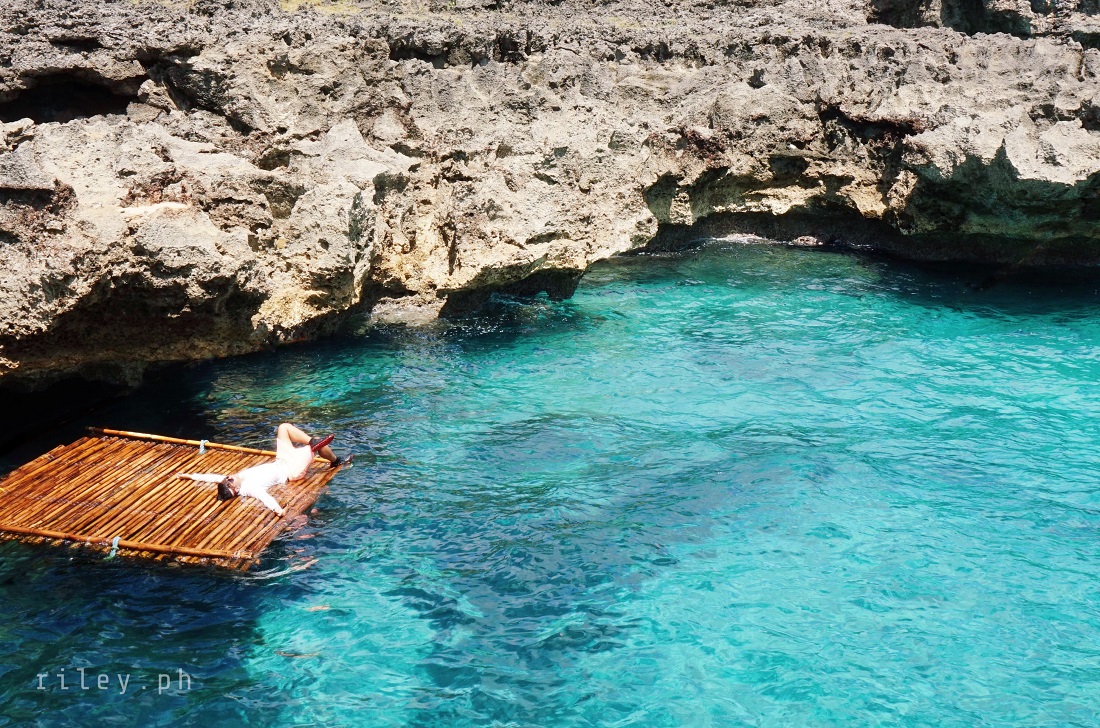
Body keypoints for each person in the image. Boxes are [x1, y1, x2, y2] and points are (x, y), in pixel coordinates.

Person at [177, 423, 351, 517]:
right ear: (235, 489)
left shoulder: (234, 478)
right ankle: (336, 461)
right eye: (230, 482)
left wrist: (190, 476)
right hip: (291, 470)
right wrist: (278, 510)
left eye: (227, 479)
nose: (230, 477)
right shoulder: (249, 488)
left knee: (283, 428)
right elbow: (265, 498)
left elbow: (211, 477)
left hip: (281, 459)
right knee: (316, 449)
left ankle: (312, 441)